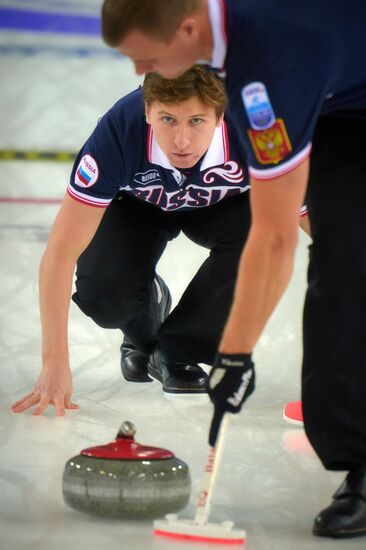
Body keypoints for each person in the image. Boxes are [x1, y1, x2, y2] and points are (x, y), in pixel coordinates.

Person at [101, 0, 366, 539]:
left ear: (189, 30)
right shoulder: (232, 53)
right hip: (340, 99)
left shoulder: (264, 73)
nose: (138, 74)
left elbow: (271, 239)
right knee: (342, 266)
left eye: (146, 57)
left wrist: (234, 355)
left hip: (338, 80)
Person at [11, 65, 263, 414]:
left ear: (220, 114)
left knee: (265, 236)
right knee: (104, 299)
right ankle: (146, 308)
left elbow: (313, 229)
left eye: (196, 121)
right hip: (137, 205)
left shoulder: (256, 126)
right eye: (167, 119)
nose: (182, 141)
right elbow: (59, 254)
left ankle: (179, 349)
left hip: (222, 205)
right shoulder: (119, 130)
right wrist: (54, 364)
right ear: (146, 110)